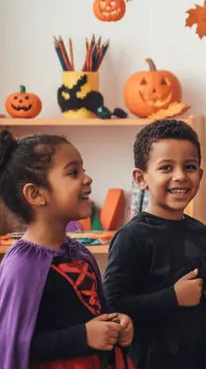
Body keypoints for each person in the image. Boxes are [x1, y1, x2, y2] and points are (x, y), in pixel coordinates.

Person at [0, 130, 134, 368]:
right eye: (73, 172)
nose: (87, 178)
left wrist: (117, 323)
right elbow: (13, 345)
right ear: (36, 194)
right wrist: (83, 336)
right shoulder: (21, 266)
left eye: (83, 169)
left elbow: (95, 311)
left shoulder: (79, 253)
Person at [104, 119, 206, 368]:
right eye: (167, 167)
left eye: (189, 167)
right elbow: (112, 303)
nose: (180, 176)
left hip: (200, 358)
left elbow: (203, 292)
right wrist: (172, 297)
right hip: (150, 361)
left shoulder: (201, 233)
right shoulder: (131, 237)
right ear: (141, 178)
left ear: (199, 175)